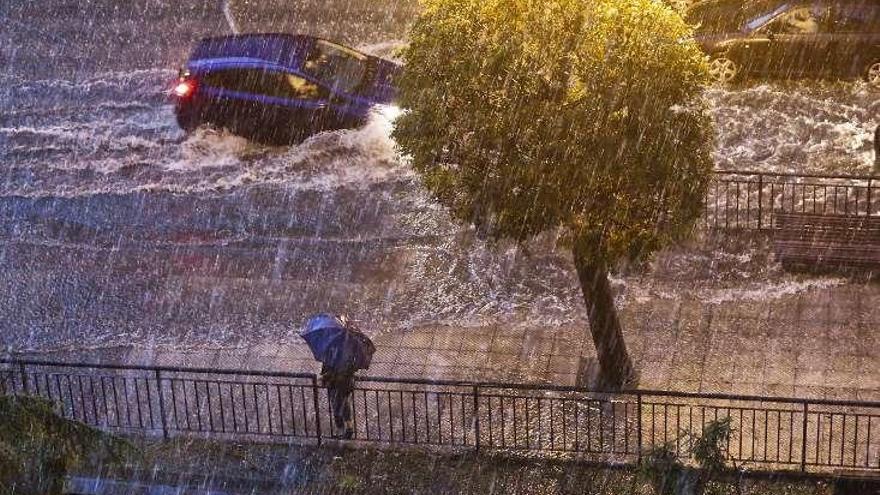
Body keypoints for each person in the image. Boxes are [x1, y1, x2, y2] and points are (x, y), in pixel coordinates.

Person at [321, 363, 355, 439]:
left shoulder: (332, 355)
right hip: (342, 382)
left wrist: (327, 376)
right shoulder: (343, 355)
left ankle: (342, 430)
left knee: (338, 406)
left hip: (338, 383)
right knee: (343, 405)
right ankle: (347, 428)